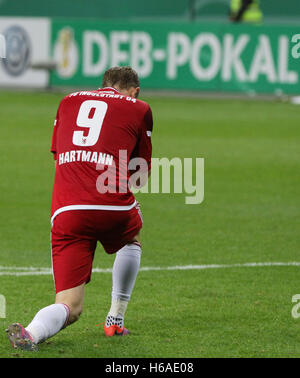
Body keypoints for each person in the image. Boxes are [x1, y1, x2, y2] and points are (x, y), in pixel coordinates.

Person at [6, 66, 153, 351]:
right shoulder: (139, 107)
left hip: (67, 211)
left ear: (103, 85)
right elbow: (140, 174)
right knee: (132, 236)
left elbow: (58, 157)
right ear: (135, 91)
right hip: (112, 206)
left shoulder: (67, 101)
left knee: (70, 306)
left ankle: (32, 333)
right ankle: (115, 319)